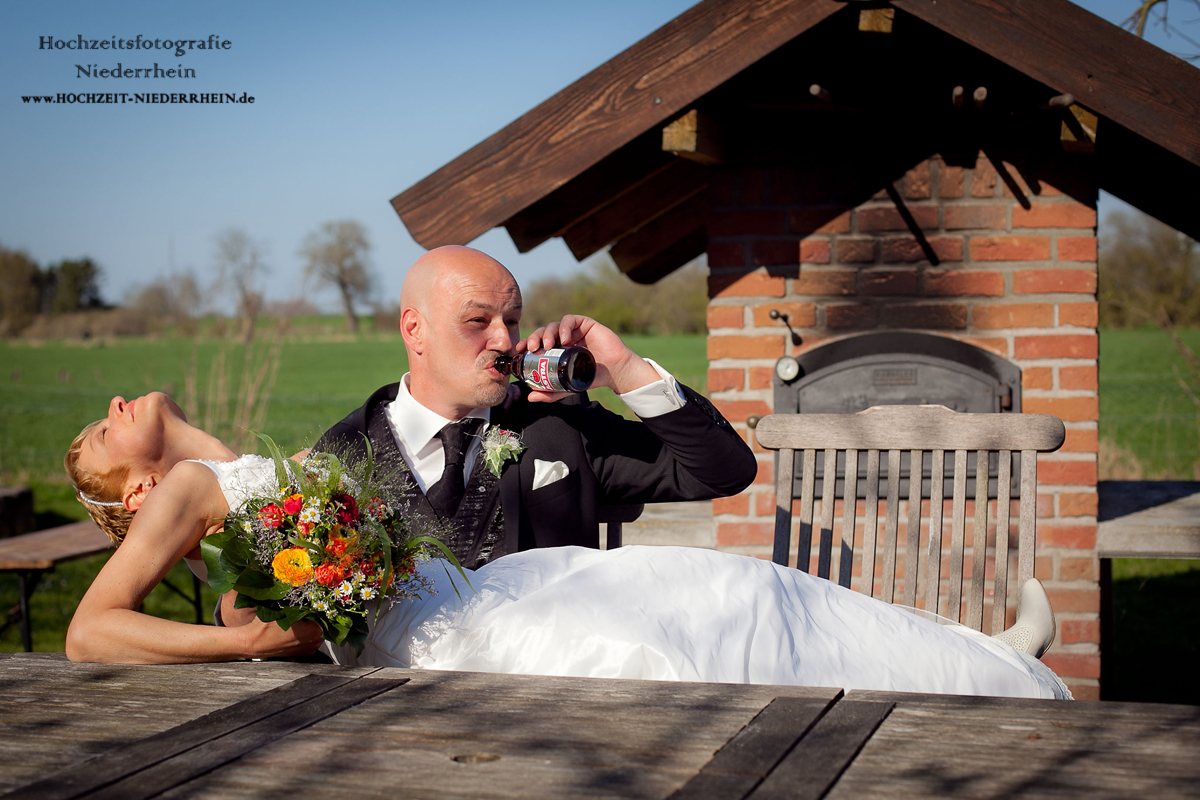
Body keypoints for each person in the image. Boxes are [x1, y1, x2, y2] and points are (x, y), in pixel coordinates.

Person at [63, 398, 1068, 699]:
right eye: (106, 436)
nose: (117, 406)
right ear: (139, 490)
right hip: (453, 638)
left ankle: (976, 647)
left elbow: (266, 600)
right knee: (710, 635)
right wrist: (245, 647)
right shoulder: (190, 492)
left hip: (483, 584)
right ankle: (988, 674)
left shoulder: (247, 472)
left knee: (738, 585)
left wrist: (289, 608)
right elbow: (90, 632)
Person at [310, 246, 758, 571]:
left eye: (511, 319)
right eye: (477, 321)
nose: (504, 340)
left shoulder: (560, 424)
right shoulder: (343, 451)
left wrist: (624, 369)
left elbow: (723, 472)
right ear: (414, 330)